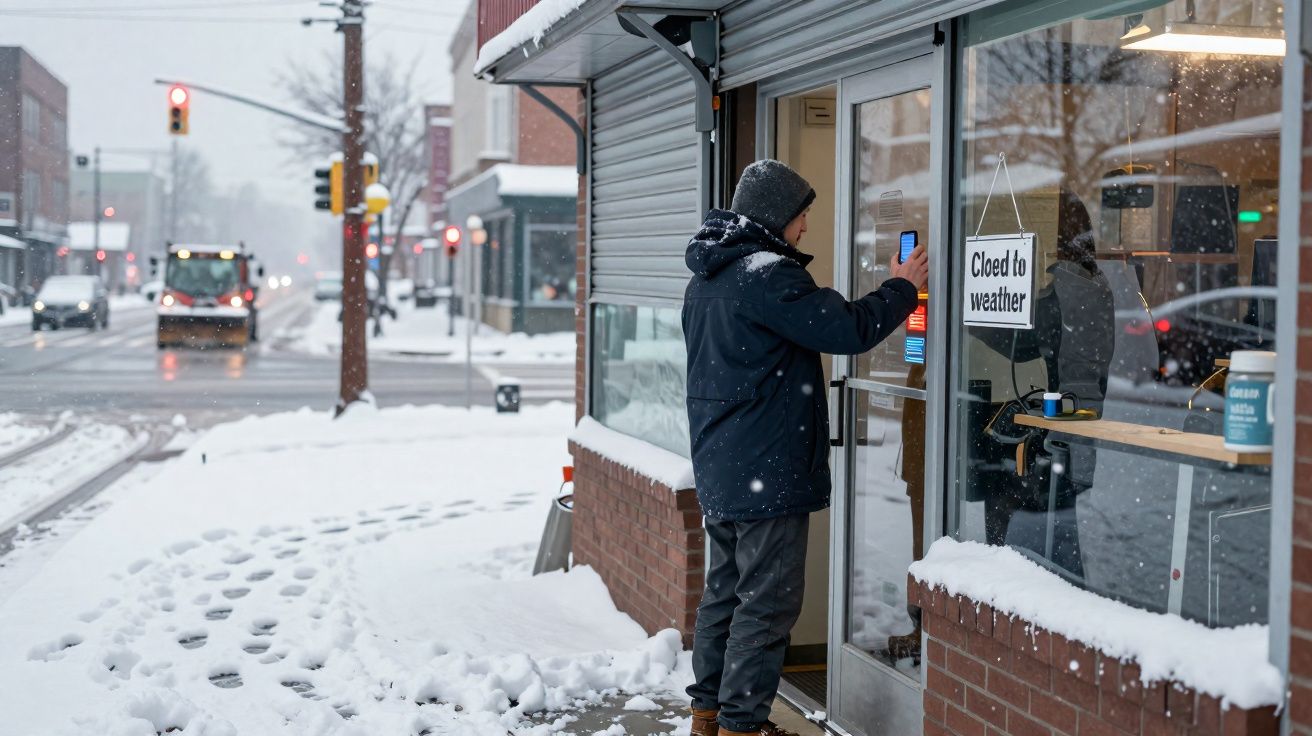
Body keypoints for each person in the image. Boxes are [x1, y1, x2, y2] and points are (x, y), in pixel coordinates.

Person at [682, 159, 929, 736]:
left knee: (725, 594)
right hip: (765, 470)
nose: (805, 228)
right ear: (776, 217)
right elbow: (846, 328)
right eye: (801, 216)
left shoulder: (709, 278)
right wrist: (903, 287)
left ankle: (708, 715)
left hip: (723, 464)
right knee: (765, 604)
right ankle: (744, 726)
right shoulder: (767, 276)